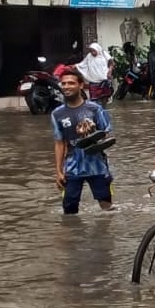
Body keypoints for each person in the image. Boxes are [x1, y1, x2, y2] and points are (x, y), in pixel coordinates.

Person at [51, 71, 114, 214]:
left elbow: (106, 135)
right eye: (64, 83)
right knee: (69, 208)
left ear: (80, 85)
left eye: (71, 83)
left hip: (97, 165)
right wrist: (58, 171)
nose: (67, 86)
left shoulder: (95, 109)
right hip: (72, 167)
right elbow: (59, 143)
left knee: (107, 208)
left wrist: (91, 134)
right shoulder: (57, 114)